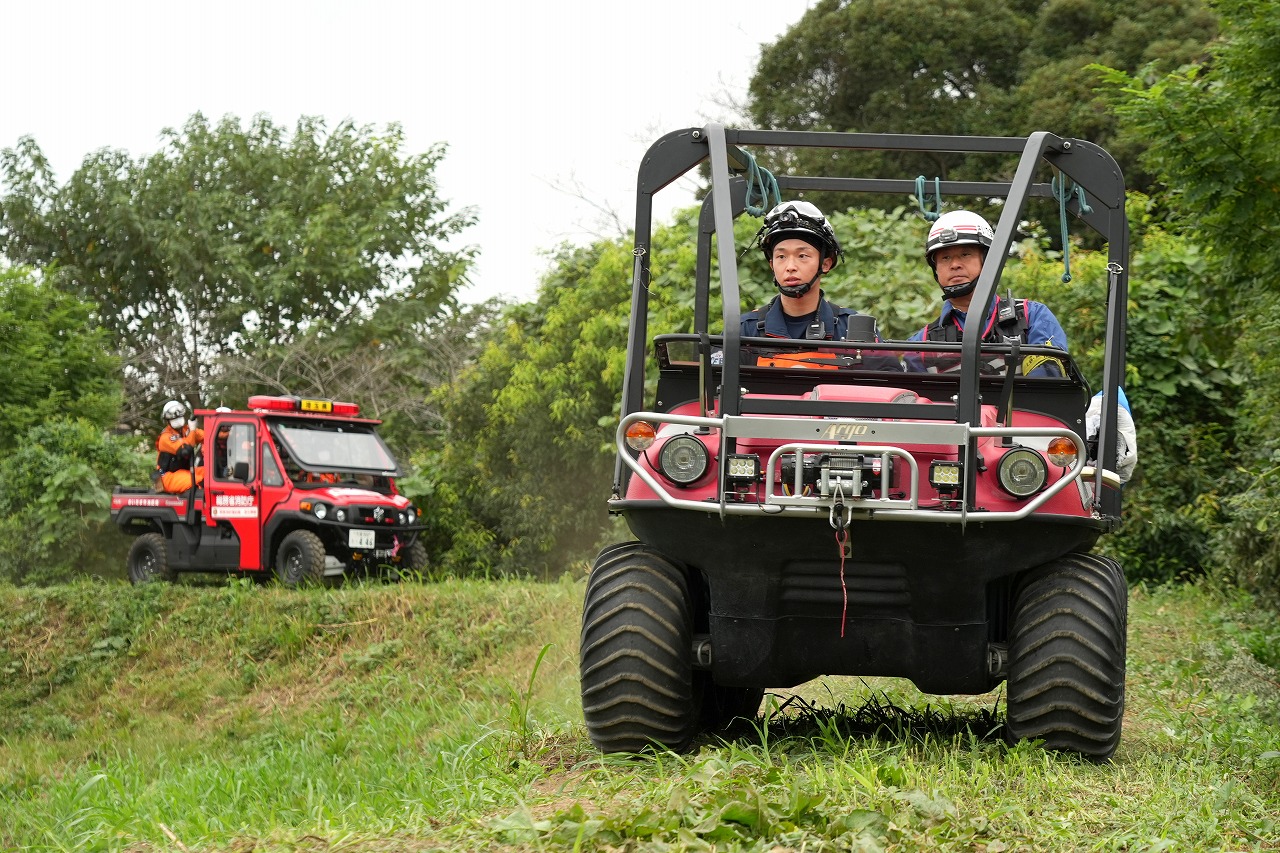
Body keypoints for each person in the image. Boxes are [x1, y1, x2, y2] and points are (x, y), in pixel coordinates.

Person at [908, 210, 1068, 376]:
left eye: (965, 254)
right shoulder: (921, 343)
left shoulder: (1032, 317)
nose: (955, 264)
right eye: (945, 258)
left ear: (988, 261)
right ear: (936, 270)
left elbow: (1047, 385)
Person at [153, 400, 205, 494]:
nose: (177, 420)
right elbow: (185, 451)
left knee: (211, 474)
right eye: (174, 419)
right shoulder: (166, 437)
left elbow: (207, 436)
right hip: (169, 475)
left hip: (185, 471)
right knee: (199, 480)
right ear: (167, 421)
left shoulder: (186, 429)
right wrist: (192, 431)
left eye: (179, 417)